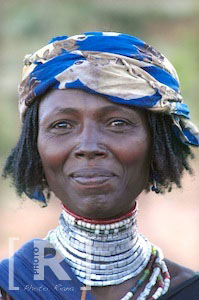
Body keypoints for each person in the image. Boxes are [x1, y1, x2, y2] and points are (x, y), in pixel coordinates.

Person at [0, 32, 198, 300]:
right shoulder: (10, 288)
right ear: (34, 149)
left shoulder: (188, 291)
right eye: (62, 125)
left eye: (118, 123)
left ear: (158, 146)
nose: (88, 146)